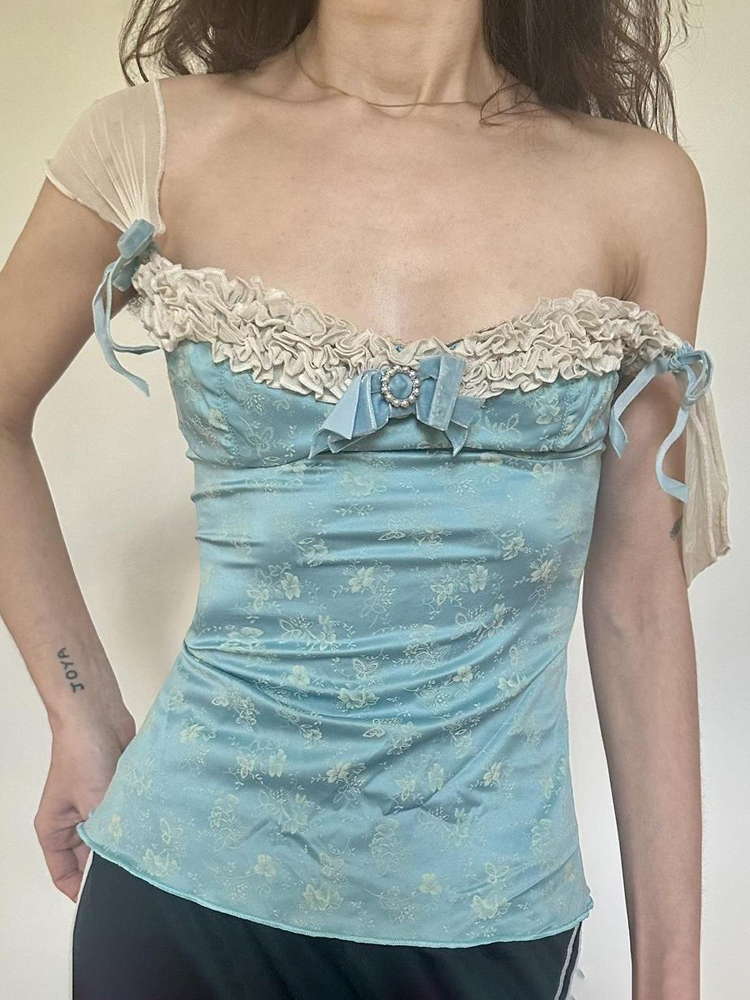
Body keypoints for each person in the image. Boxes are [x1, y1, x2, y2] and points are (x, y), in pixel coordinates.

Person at [0, 1, 731, 998]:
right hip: (178, 892)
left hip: (484, 925)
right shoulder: (153, 144)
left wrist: (673, 976)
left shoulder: (640, 189)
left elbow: (638, 592)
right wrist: (78, 710)